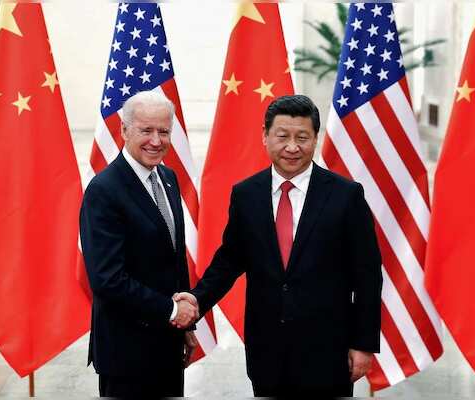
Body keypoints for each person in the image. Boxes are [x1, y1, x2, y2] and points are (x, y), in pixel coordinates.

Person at [175, 95, 382, 397]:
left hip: (328, 352)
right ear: (265, 136)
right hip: (267, 351)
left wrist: (363, 344)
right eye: (282, 136)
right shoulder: (246, 194)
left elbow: (367, 276)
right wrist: (196, 300)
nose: (292, 147)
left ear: (315, 138)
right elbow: (230, 260)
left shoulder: (346, 195)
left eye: (302, 137)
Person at [80, 91, 199, 397]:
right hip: (126, 354)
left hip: (168, 345)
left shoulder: (168, 178)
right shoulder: (104, 190)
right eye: (146, 130)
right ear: (124, 130)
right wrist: (172, 310)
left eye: (164, 131)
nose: (156, 141)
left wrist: (185, 326)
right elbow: (107, 279)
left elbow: (174, 257)